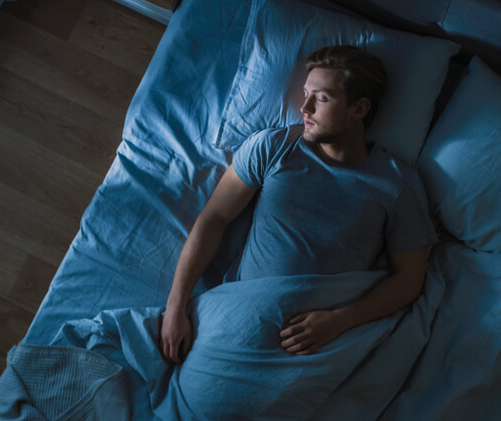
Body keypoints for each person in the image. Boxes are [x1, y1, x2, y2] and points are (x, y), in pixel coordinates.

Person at [159, 45, 438, 364]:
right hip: (238, 316)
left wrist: (340, 321)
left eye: (321, 98)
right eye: (305, 94)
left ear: (358, 109)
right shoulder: (273, 147)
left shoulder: (397, 184)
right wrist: (175, 309)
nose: (304, 107)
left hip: (318, 344)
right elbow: (214, 217)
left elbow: (409, 279)